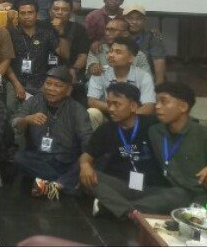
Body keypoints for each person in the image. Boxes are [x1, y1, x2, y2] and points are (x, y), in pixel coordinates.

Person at [80, 83, 166, 218]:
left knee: (179, 194)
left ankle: (117, 207)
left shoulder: (152, 124)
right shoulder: (106, 130)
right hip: (121, 186)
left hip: (152, 188)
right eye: (109, 104)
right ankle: (132, 212)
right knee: (86, 176)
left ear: (133, 106)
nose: (111, 109)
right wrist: (85, 165)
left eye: (116, 104)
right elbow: (86, 156)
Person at [13, 66, 93, 200]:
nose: (51, 89)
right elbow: (15, 122)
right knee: (18, 158)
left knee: (90, 160)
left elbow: (88, 140)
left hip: (66, 160)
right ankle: (65, 183)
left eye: (57, 85)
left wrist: (85, 162)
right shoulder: (34, 101)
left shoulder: (77, 109)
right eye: (48, 84)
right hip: (40, 158)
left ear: (68, 90)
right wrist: (26, 120)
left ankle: (57, 184)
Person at [148, 82, 207, 210]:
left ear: (183, 107)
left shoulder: (206, 135)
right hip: (165, 191)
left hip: (197, 198)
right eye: (156, 101)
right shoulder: (155, 131)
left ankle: (128, 210)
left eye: (164, 101)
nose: (157, 106)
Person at [87, 37, 155, 129]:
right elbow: (92, 102)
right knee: (92, 113)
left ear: (131, 58)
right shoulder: (99, 72)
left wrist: (126, 114)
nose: (111, 55)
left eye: (118, 52)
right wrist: (116, 109)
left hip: (134, 118)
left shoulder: (143, 76)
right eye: (110, 51)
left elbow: (148, 107)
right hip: (107, 116)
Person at [7, 0, 65, 100]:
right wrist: (16, 84)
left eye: (30, 13)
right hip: (15, 81)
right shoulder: (12, 34)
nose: (26, 16)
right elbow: (5, 62)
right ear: (18, 15)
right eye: (23, 13)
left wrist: (60, 32)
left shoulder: (47, 34)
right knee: (11, 104)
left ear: (37, 14)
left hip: (40, 82)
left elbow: (61, 54)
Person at [49, 0, 90, 97]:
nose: (60, 12)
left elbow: (82, 56)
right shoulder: (42, 26)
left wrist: (74, 68)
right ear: (50, 11)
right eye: (56, 9)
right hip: (44, 71)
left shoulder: (79, 29)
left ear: (71, 13)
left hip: (68, 70)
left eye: (64, 10)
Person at [87, 18, 151, 76]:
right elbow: (90, 71)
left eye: (112, 30)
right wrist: (93, 67)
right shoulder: (96, 49)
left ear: (125, 34)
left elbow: (146, 78)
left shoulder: (138, 55)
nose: (107, 33)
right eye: (106, 30)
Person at [124, 5, 167, 85]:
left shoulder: (153, 38)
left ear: (144, 21)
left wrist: (159, 87)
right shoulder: (118, 36)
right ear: (124, 20)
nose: (134, 22)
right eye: (130, 18)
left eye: (138, 19)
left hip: (145, 81)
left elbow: (159, 62)